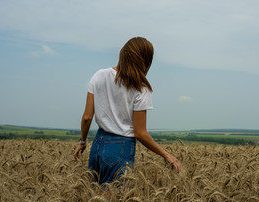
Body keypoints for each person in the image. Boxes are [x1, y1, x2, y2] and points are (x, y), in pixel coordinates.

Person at [74, 37, 181, 184]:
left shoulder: (99, 75)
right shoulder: (141, 88)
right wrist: (167, 155)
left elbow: (87, 117)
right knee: (113, 199)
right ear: (145, 60)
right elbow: (140, 132)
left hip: (98, 143)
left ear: (123, 53)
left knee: (93, 193)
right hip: (120, 147)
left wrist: (83, 141)